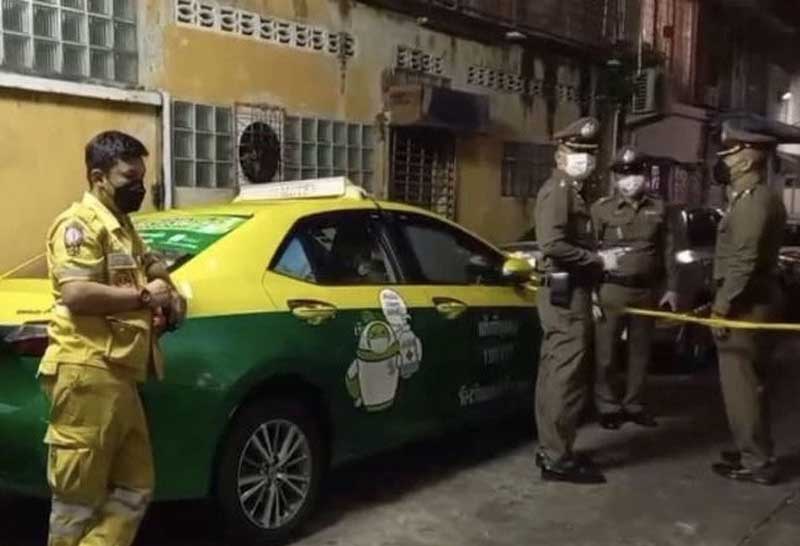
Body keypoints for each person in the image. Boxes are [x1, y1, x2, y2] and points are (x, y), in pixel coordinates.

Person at [39, 131, 187, 545]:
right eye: (129, 179)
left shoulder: (121, 224)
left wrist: (167, 288)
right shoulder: (78, 225)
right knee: (77, 502)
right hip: (87, 371)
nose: (139, 188)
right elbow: (76, 293)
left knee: (134, 488)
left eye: (142, 178)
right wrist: (144, 296)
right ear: (98, 177)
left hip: (121, 373)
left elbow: (150, 261)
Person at [533, 117, 621, 484]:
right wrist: (597, 261)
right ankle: (558, 457)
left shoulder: (571, 191)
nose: (584, 159)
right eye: (576, 151)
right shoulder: (559, 191)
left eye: (589, 153)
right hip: (565, 292)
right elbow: (552, 244)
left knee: (556, 372)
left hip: (569, 290)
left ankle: (551, 448)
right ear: (560, 154)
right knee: (566, 376)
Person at [709, 121, 786, 485]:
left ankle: (756, 461)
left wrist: (722, 307)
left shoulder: (754, 202)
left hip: (746, 304)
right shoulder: (749, 197)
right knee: (752, 383)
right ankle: (754, 448)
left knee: (741, 386)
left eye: (730, 153)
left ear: (747, 159)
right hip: (754, 298)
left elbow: (744, 260)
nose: (724, 160)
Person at [591, 146, 678, 430]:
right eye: (623, 175)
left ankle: (634, 404)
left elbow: (669, 251)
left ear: (644, 176)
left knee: (640, 352)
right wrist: (592, 293)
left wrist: (672, 288)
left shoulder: (660, 208)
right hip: (611, 289)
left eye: (636, 174)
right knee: (606, 352)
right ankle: (607, 406)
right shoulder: (601, 209)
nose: (630, 181)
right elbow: (590, 251)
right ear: (616, 179)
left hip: (646, 291)